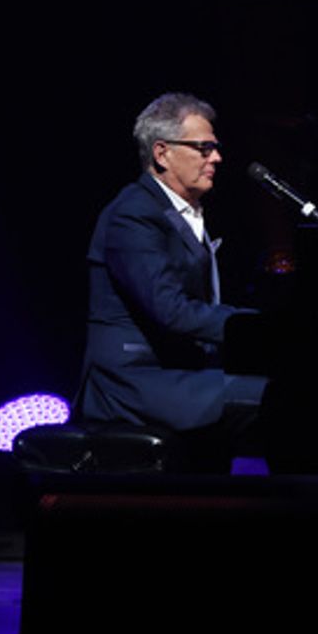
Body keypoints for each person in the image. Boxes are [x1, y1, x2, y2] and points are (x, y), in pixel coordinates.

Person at [76, 92, 267, 467]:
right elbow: (172, 311)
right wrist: (265, 329)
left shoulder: (178, 211)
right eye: (204, 148)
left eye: (215, 148)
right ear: (162, 153)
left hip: (181, 371)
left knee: (301, 389)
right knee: (280, 399)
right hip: (136, 382)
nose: (217, 158)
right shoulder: (132, 214)